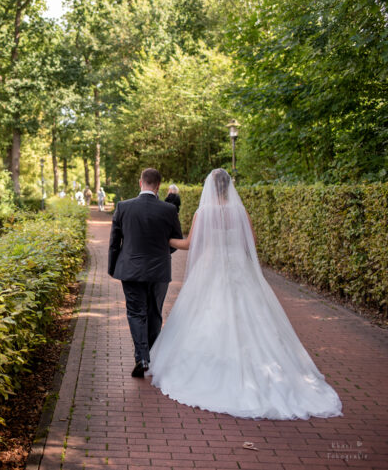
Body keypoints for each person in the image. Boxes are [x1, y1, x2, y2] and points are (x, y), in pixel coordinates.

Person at [149, 169, 342, 419]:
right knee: (252, 313)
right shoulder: (240, 212)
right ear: (228, 187)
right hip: (238, 266)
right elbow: (251, 241)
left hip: (210, 267)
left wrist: (166, 240)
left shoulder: (203, 213)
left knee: (205, 313)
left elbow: (189, 244)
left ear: (209, 187)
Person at [108, 168, 183, 378]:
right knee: (154, 313)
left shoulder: (123, 207)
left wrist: (114, 268)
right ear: (158, 186)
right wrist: (161, 253)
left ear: (141, 183)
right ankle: (152, 356)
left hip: (130, 270)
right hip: (159, 270)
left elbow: (115, 242)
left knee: (135, 313)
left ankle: (142, 357)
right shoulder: (168, 210)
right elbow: (176, 240)